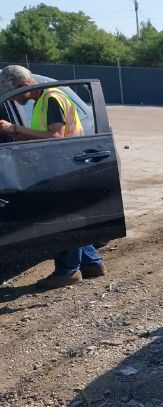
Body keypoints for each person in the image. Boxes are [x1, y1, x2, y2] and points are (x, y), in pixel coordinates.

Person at [0, 65, 107, 289]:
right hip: (66, 163)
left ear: (26, 85)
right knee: (72, 215)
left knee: (60, 218)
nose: (15, 100)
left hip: (65, 164)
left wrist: (13, 129)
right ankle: (92, 263)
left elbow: (56, 137)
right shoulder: (42, 100)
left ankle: (68, 271)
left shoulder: (51, 98)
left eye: (14, 93)